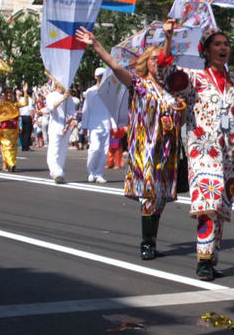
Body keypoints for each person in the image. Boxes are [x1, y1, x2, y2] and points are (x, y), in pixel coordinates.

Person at [160, 26, 234, 281]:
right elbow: (167, 77)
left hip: (229, 154)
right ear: (206, 51)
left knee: (221, 207)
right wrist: (168, 38)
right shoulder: (194, 78)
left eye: (226, 44)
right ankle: (203, 260)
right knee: (209, 203)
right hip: (203, 151)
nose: (223, 48)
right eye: (217, 44)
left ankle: (211, 258)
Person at [76, 25, 185, 260]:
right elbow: (115, 66)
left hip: (167, 150)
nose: (158, 63)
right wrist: (95, 44)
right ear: (146, 63)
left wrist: (181, 109)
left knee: (161, 197)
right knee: (149, 194)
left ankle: (153, 240)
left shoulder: (169, 92)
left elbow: (180, 120)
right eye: (154, 60)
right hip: (145, 148)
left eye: (160, 60)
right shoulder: (138, 84)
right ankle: (146, 243)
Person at [81, 67, 111, 184]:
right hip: (94, 124)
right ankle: (91, 171)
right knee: (95, 148)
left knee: (104, 151)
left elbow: (111, 109)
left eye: (103, 75)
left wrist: (114, 124)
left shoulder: (108, 91)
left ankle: (99, 173)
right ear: (95, 77)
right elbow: (86, 109)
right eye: (99, 76)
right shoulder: (90, 91)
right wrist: (84, 126)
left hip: (106, 124)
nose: (101, 77)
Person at [44, 84, 78, 184]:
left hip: (65, 129)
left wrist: (67, 126)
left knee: (62, 153)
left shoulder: (70, 99)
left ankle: (59, 173)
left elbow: (72, 114)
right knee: (54, 152)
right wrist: (63, 98)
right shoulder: (51, 96)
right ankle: (57, 173)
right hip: (54, 127)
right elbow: (51, 108)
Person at [0, 92, 21, 172]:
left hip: (14, 128)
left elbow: (25, 103)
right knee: (5, 147)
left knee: (13, 147)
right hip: (5, 128)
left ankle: (8, 164)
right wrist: (3, 115)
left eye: (10, 95)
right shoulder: (1, 105)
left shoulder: (15, 104)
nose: (9, 96)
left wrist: (25, 92)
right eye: (7, 95)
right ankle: (10, 164)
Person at [18, 85, 33, 151]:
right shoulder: (29, 99)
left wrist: (19, 116)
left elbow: (18, 108)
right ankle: (26, 146)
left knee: (22, 132)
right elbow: (30, 109)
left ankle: (23, 145)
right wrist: (32, 117)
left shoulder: (21, 99)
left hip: (21, 116)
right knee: (27, 132)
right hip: (27, 116)